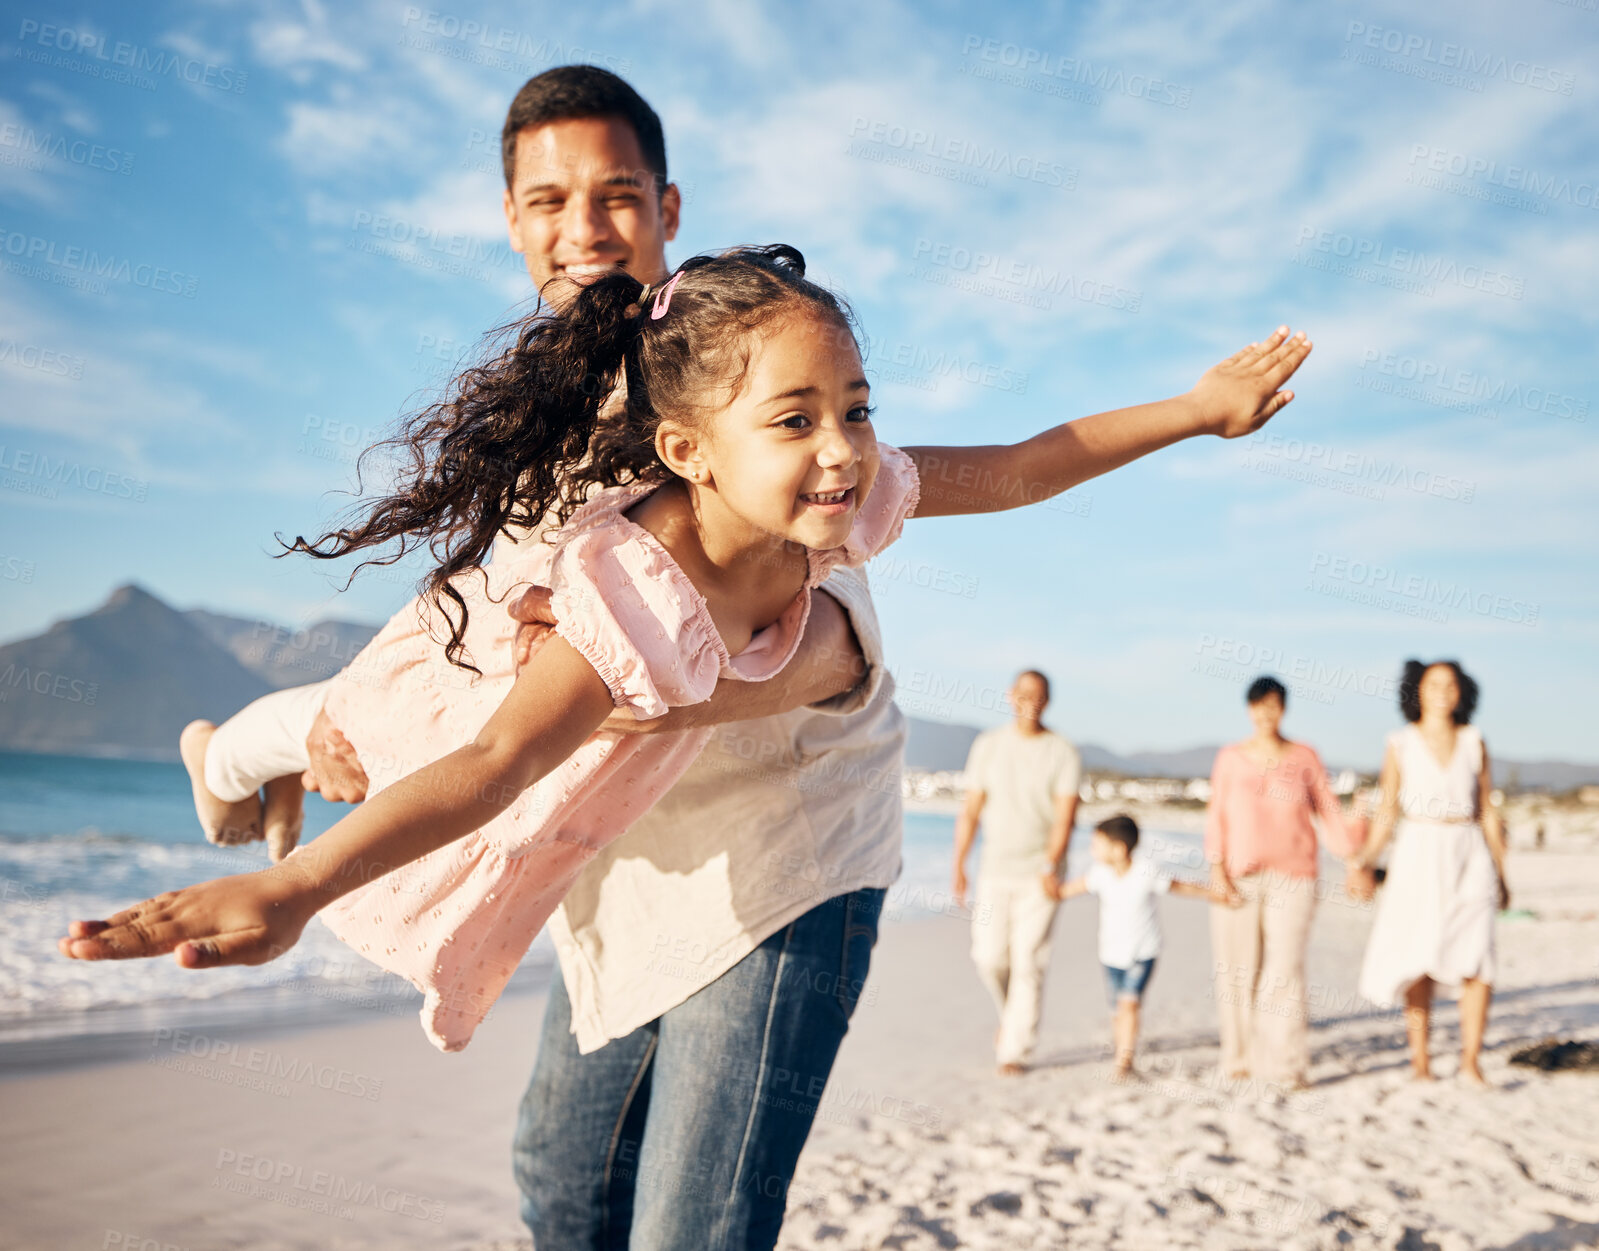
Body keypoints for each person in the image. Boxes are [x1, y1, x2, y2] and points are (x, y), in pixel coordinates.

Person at [1350, 660, 1508, 1087]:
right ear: (1416, 690)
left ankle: (1470, 1061)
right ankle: (1421, 1063)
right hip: (1418, 852)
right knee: (1418, 955)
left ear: (1463, 693)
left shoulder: (1475, 741)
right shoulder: (1400, 743)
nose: (1442, 691)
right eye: (1433, 683)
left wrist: (1502, 871)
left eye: (1451, 684)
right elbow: (1386, 811)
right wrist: (1363, 859)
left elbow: (1488, 811)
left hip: (1468, 849)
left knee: (1479, 958)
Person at [1204, 675, 1356, 1088]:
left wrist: (1356, 857)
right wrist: (1217, 870)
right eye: (1258, 705)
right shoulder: (1230, 758)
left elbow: (1328, 810)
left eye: (1273, 705)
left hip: (1295, 875)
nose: (1266, 713)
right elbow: (1217, 816)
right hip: (1239, 875)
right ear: (1249, 710)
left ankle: (1286, 1063)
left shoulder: (1305, 756)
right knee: (1236, 970)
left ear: (1283, 709)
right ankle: (1238, 1057)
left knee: (1284, 969)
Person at [952, 670, 1082, 1075]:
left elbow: (1066, 818)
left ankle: (1015, 1051)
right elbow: (971, 808)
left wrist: (1050, 863)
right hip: (995, 869)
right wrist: (959, 863)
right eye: (1023, 693)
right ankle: (1012, 1019)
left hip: (1041, 874)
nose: (1030, 700)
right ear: (1010, 696)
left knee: (1029, 960)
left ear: (1048, 700)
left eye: (1038, 694)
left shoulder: (1063, 752)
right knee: (989, 957)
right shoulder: (988, 746)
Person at [1045, 814, 1232, 1077]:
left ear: (1119, 849)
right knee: (1115, 1010)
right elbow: (1067, 891)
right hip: (1110, 954)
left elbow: (1180, 886)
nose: (1092, 849)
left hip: (1143, 952)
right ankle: (1123, 1046)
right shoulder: (1100, 874)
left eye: (1097, 844)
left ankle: (1124, 1060)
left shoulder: (1146, 870)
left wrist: (1214, 893)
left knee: (1129, 1004)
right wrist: (1046, 884)